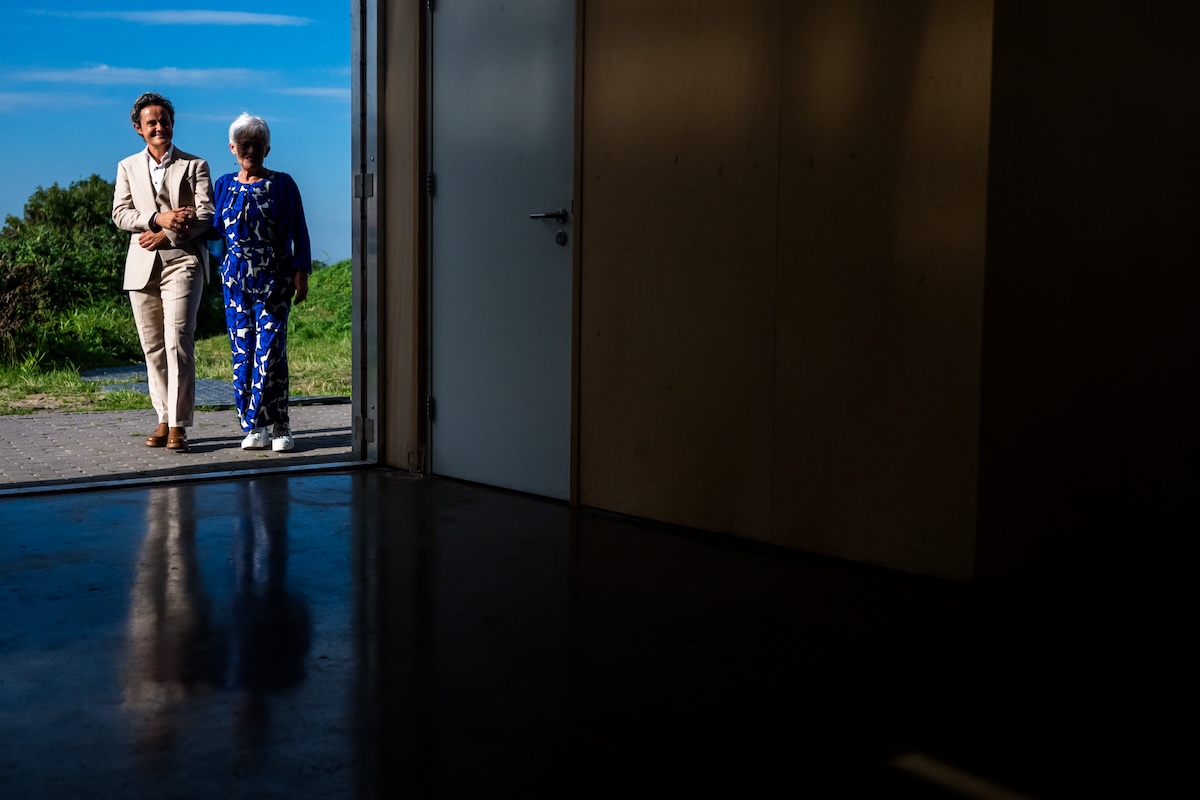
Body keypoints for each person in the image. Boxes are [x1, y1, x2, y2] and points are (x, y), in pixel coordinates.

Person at [113, 92, 214, 453]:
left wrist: (168, 232)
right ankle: (162, 416)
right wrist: (158, 218)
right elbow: (120, 214)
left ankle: (178, 425)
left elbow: (206, 215)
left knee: (178, 341)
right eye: (151, 122)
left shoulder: (195, 164)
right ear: (138, 128)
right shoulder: (127, 166)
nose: (159, 127)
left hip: (183, 261)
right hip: (141, 266)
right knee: (153, 347)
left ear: (173, 123)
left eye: (164, 121)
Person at [210, 113, 311, 452]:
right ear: (233, 148)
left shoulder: (283, 184)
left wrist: (301, 272)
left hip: (274, 281)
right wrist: (221, 262)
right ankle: (256, 426)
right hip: (235, 284)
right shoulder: (223, 185)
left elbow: (299, 230)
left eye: (257, 145)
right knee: (243, 354)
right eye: (244, 144)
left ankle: (281, 425)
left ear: (267, 149)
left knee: (270, 353)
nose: (250, 150)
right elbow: (214, 232)